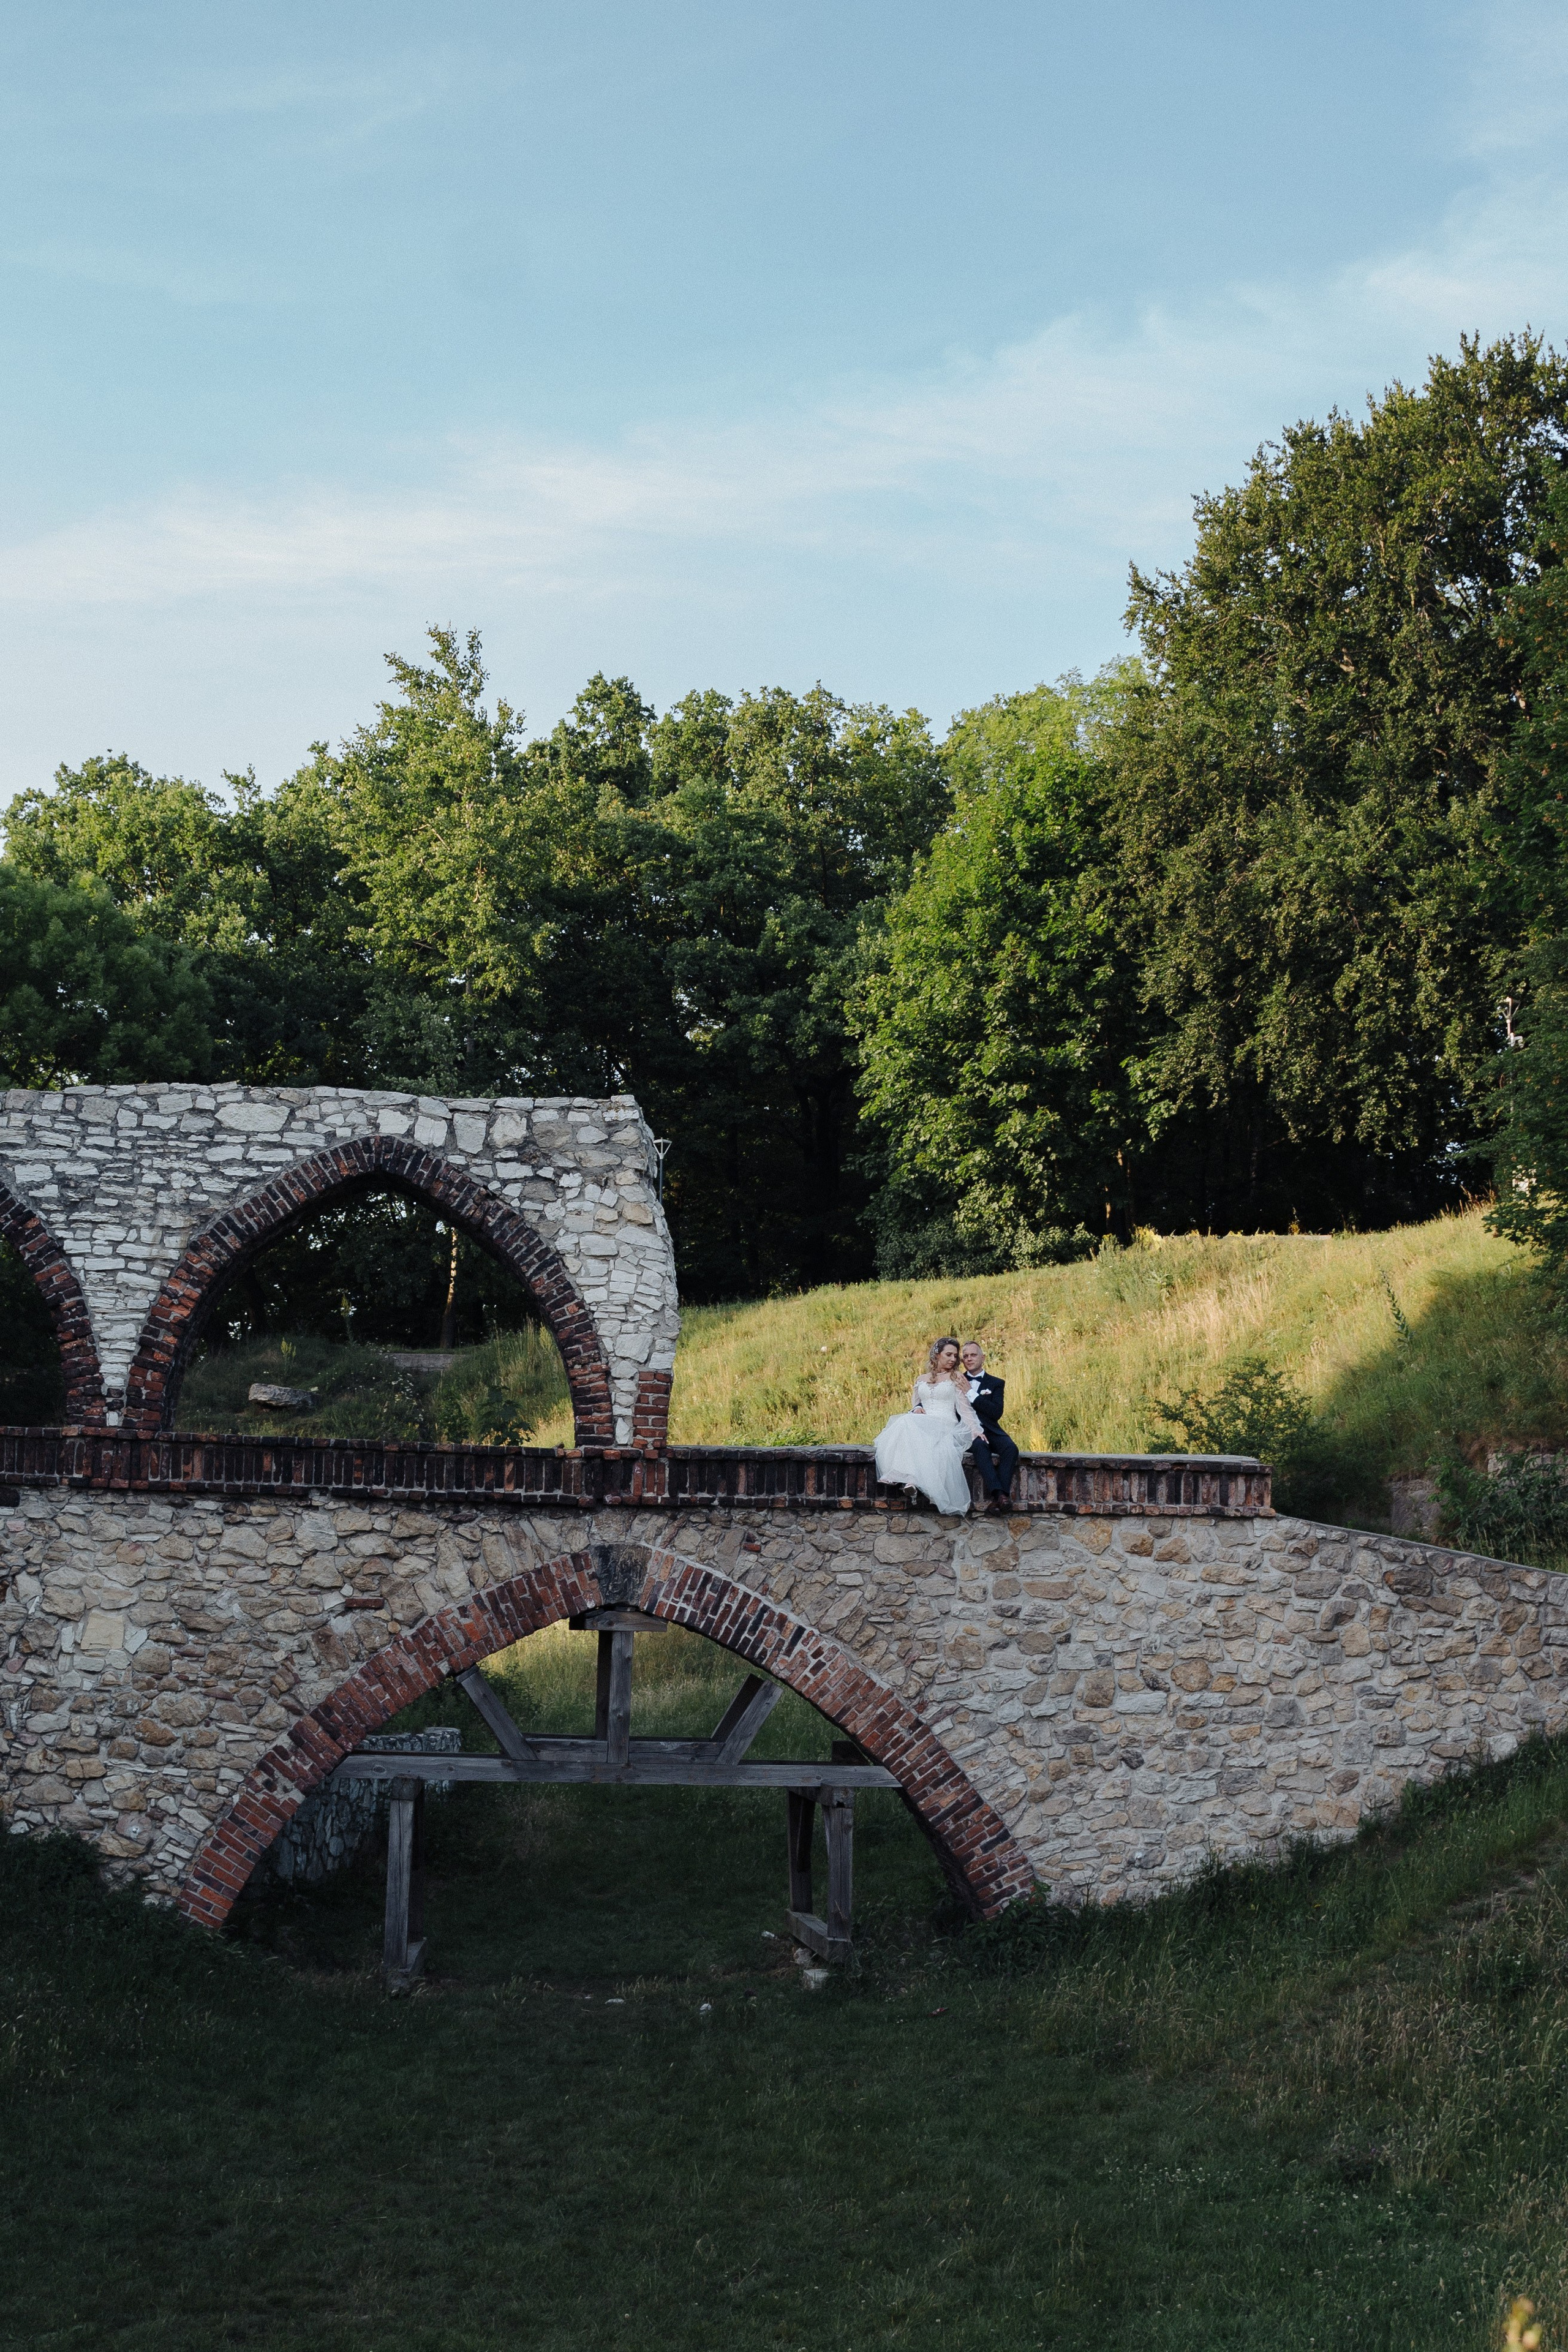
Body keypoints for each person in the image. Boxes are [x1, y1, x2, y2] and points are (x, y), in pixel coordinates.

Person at [873, 1336, 986, 1515]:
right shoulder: (921, 1379)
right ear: (937, 1355)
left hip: (945, 1423)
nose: (953, 1359)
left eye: (955, 1356)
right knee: (905, 1421)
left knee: (911, 1427)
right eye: (948, 1354)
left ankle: (910, 1478)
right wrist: (918, 1408)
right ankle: (909, 1480)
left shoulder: (956, 1377)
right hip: (926, 1422)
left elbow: (964, 1409)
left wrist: (975, 1429)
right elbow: (916, 1405)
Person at [961, 1339, 1019, 1513]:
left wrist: (971, 1394)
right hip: (967, 1431)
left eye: (973, 1355)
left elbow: (996, 1412)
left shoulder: (996, 1383)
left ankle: (998, 1498)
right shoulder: (957, 1381)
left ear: (983, 1358)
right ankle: (1001, 1496)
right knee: (980, 1447)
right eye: (965, 1356)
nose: (969, 1359)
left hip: (991, 1430)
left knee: (1011, 1449)